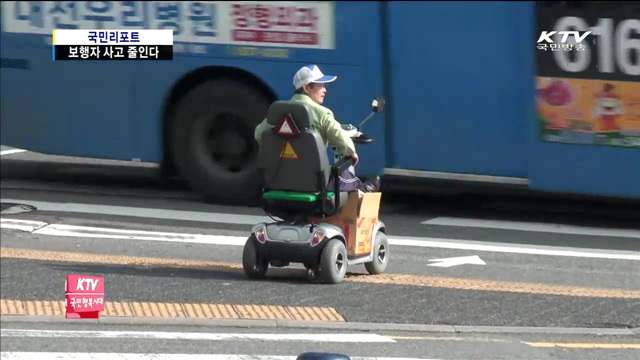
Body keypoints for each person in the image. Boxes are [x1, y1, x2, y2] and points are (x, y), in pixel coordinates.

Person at [254, 64, 380, 193]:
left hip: (278, 179)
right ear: (307, 87)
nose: (325, 90)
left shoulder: (278, 112)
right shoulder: (322, 113)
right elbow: (340, 138)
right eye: (321, 85)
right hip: (314, 182)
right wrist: (351, 153)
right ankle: (364, 190)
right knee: (347, 178)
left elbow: (259, 134)